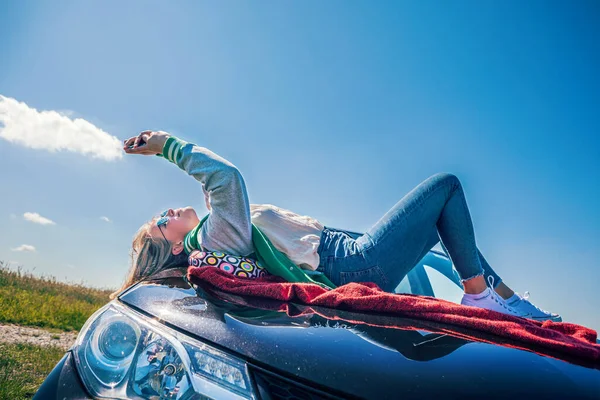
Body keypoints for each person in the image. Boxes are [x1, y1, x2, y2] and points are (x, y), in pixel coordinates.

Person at [115, 130, 561, 322]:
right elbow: (226, 178)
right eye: (160, 223)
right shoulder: (210, 238)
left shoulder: (213, 228)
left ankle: (504, 299)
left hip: (346, 250)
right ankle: (482, 296)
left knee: (441, 222)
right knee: (445, 186)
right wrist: (167, 146)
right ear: (172, 248)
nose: (167, 213)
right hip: (350, 264)